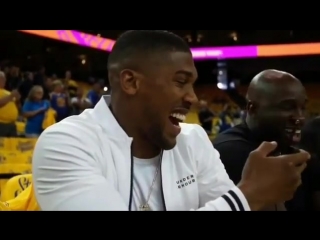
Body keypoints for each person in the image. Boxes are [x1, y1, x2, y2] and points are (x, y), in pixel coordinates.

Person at [32, 30, 309, 211]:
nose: (192, 98)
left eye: (193, 85)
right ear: (130, 82)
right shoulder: (65, 143)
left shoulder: (194, 140)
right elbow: (241, 203)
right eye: (180, 82)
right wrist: (247, 196)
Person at [213, 69, 320, 211]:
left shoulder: (294, 148)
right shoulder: (231, 152)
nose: (300, 118)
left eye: (302, 107)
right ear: (252, 109)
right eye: (288, 107)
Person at [0, 71, 20, 137]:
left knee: (12, 144)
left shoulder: (7, 92)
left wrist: (17, 100)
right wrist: (11, 96)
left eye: (4, 78)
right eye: (2, 78)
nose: (5, 80)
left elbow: (16, 105)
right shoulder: (10, 94)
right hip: (1, 124)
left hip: (12, 124)